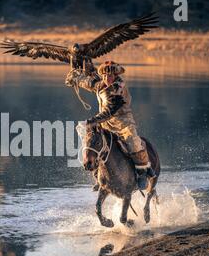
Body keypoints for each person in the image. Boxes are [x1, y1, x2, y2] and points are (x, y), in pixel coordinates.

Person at [65, 61, 154, 190]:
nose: (107, 78)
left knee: (133, 141)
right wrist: (75, 79)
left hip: (123, 122)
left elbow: (109, 111)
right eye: (105, 75)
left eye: (111, 75)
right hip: (106, 123)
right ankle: (98, 174)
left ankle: (142, 171)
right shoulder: (101, 85)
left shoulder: (118, 88)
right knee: (93, 139)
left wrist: (90, 121)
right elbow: (90, 83)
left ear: (116, 75)